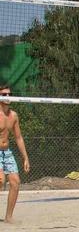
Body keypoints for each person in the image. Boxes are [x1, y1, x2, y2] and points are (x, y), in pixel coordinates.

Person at [0, 85, 30, 224]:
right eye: (4, 95)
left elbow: (18, 138)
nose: (7, 97)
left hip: (7, 152)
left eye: (9, 94)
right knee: (0, 180)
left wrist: (25, 157)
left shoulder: (13, 116)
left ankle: (8, 217)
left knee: (15, 182)